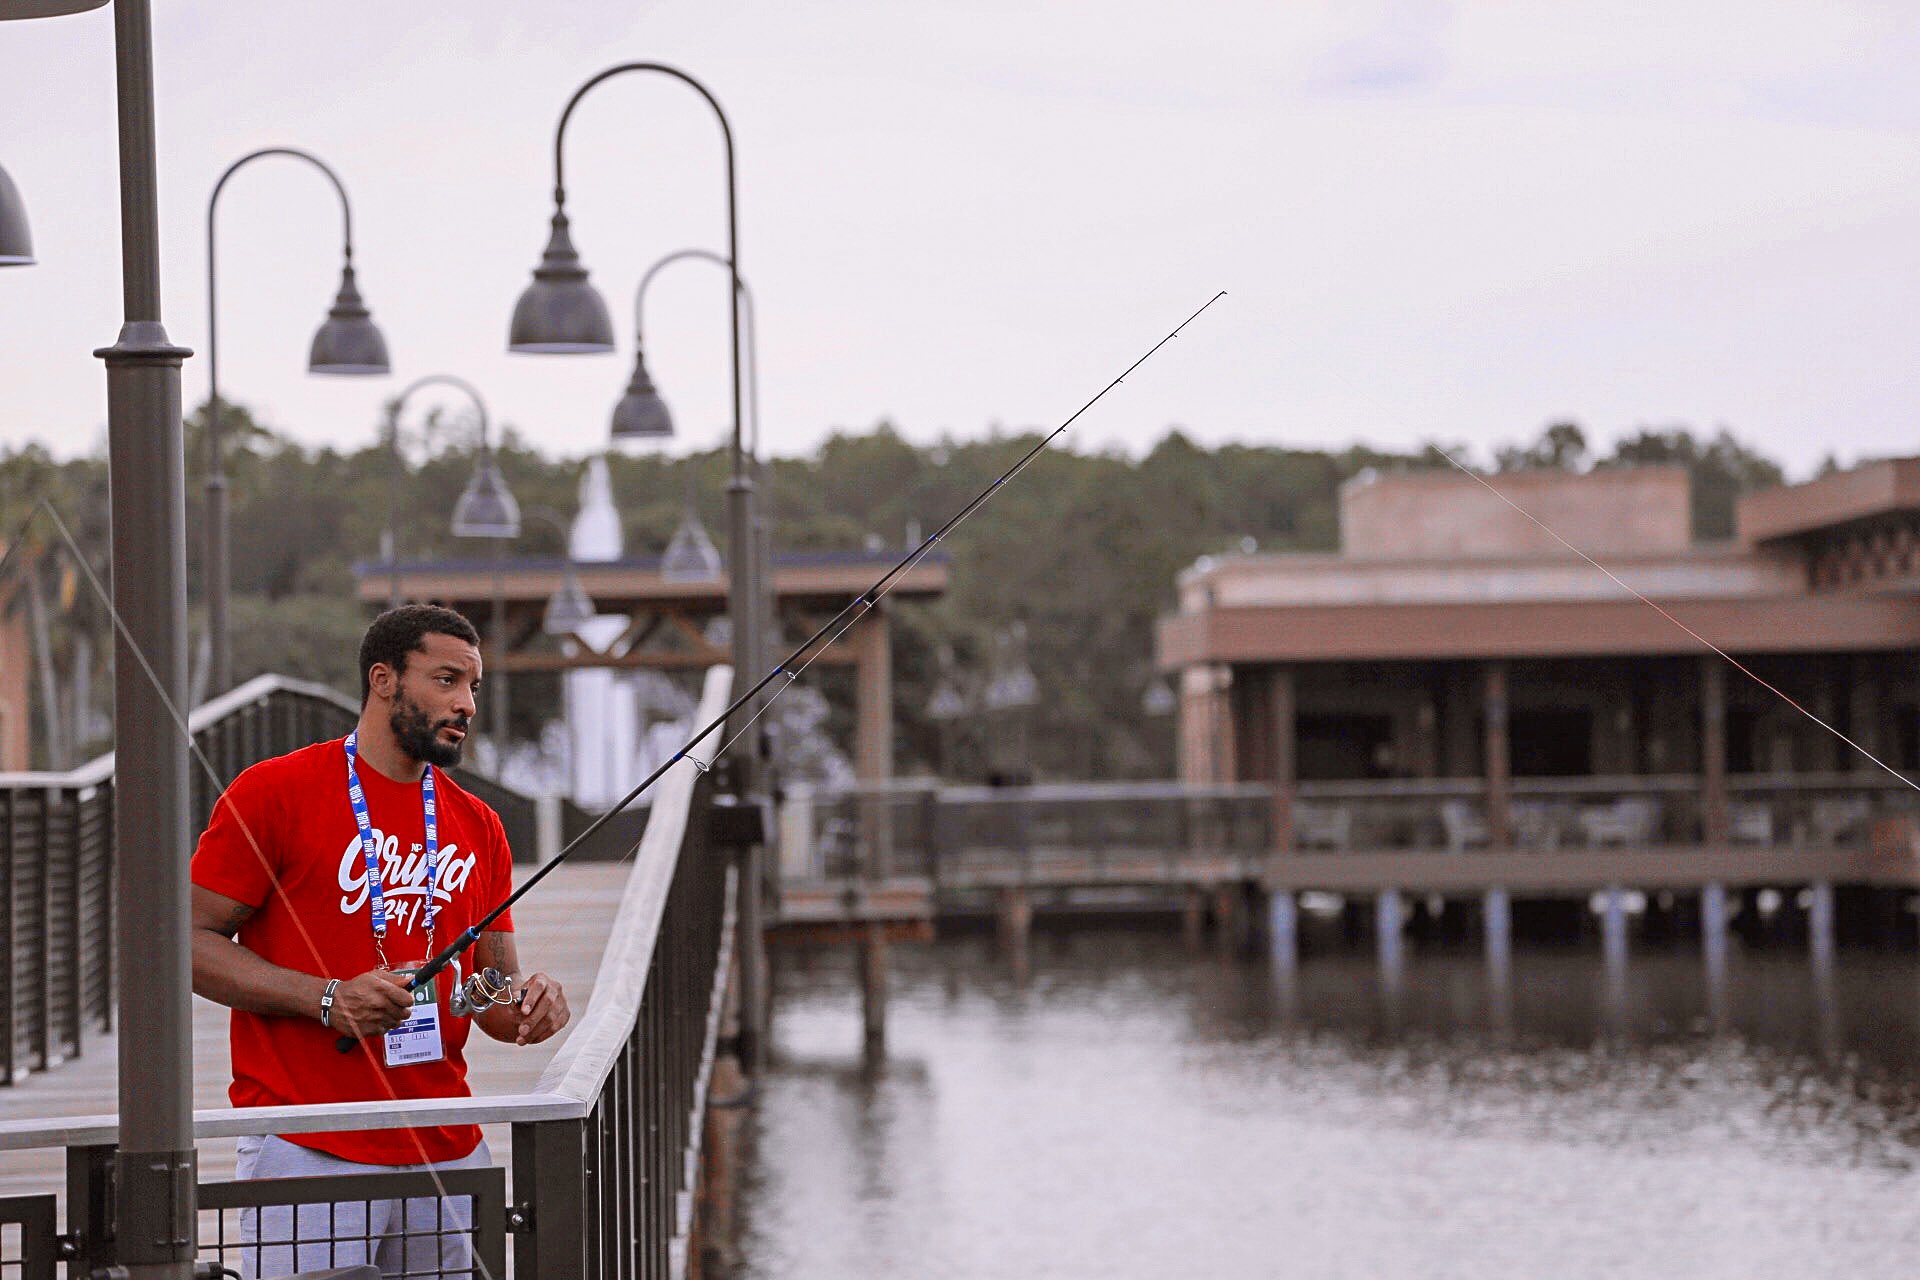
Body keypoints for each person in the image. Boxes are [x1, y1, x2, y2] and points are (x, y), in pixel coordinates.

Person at [191, 604, 570, 1279]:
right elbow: (184, 943)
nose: (466, 705)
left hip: (448, 1148)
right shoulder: (274, 793)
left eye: (474, 688)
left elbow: (491, 996)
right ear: (383, 679)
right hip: (309, 1144)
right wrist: (327, 999)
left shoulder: (479, 825)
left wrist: (532, 1004)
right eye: (447, 680)